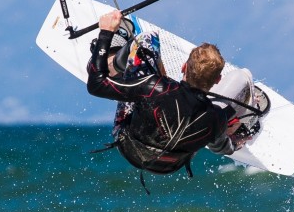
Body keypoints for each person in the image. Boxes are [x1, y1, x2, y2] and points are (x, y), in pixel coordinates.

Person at [87, 10, 251, 180]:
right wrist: (235, 141)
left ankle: (111, 64)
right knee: (243, 77)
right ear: (218, 80)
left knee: (146, 40)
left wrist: (105, 33)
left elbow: (95, 85)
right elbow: (220, 147)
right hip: (170, 166)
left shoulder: (153, 87)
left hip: (128, 146)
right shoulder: (217, 118)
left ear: (183, 67)